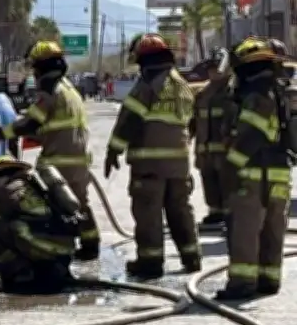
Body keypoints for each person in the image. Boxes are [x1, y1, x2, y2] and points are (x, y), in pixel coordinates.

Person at [0, 40, 101, 261]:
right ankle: (90, 244)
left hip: (58, 161)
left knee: (52, 205)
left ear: (41, 67)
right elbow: (54, 124)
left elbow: (31, 123)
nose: (34, 73)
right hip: (78, 158)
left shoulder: (50, 91)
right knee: (80, 202)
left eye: (35, 67)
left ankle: (57, 248)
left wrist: (0, 133)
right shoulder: (68, 88)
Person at [104, 33, 201, 279]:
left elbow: (129, 120)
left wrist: (113, 150)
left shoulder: (148, 85)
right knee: (180, 210)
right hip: (179, 165)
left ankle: (150, 262)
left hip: (150, 165)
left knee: (148, 212)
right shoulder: (182, 85)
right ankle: (191, 257)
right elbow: (192, 124)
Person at [217, 37, 292, 299]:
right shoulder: (278, 92)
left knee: (245, 230)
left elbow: (251, 136)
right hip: (279, 172)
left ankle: (242, 283)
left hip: (253, 175)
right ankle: (268, 280)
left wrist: (230, 166)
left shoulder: (257, 95)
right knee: (273, 229)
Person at [0, 155, 80, 293]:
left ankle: (19, 272)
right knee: (17, 226)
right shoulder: (33, 183)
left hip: (45, 247)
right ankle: (51, 267)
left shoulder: (10, 190)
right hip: (64, 248)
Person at [190, 47, 234, 227]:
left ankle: (229, 213)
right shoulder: (202, 94)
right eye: (210, 69)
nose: (213, 72)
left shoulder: (232, 92)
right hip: (205, 150)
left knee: (227, 183)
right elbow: (193, 120)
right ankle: (215, 212)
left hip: (225, 151)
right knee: (209, 182)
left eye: (216, 68)